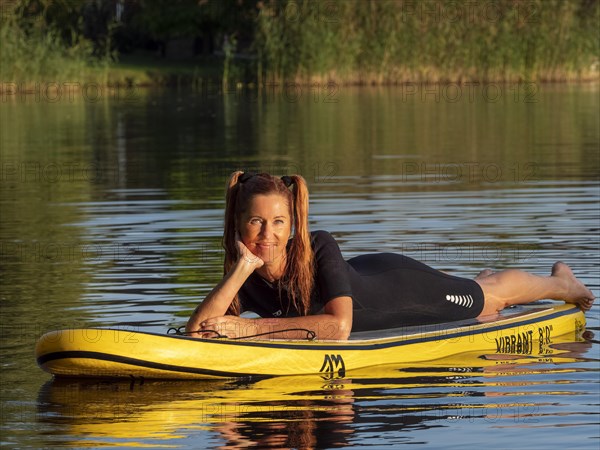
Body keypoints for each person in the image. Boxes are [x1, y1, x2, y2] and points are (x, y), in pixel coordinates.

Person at [186, 172, 595, 340]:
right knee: (478, 292)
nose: (266, 234)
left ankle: (563, 283)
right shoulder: (243, 265)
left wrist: (251, 331)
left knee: (489, 298)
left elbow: (339, 326)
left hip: (398, 288)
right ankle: (476, 279)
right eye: (255, 223)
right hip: (363, 276)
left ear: (292, 224)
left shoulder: (319, 244)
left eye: (278, 222)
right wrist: (241, 268)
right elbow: (198, 333)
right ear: (239, 225)